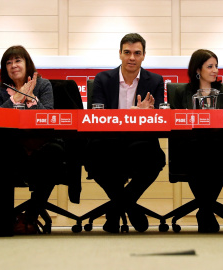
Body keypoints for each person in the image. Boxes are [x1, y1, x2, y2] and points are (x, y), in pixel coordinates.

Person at [85, 33, 166, 233]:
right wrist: (129, 114)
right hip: (108, 142)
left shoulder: (155, 80)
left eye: (137, 53)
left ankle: (115, 210)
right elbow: (97, 116)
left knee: (155, 158)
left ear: (144, 56)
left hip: (140, 142)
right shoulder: (103, 79)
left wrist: (148, 115)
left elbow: (158, 119)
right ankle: (130, 207)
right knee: (93, 156)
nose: (132, 57)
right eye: (127, 52)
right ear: (120, 54)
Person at [0, 45, 65, 234]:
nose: (13, 65)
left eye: (17, 60)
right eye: (8, 62)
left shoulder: (43, 85)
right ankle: (3, 222)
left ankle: (30, 216)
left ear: (27, 63)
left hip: (42, 146)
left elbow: (49, 116)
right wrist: (14, 100)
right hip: (12, 148)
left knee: (55, 152)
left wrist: (31, 100)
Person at [171, 49, 223, 232]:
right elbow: (176, 122)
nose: (215, 70)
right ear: (198, 69)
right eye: (210, 66)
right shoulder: (182, 92)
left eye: (216, 66)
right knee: (197, 152)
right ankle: (207, 211)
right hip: (189, 147)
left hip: (217, 146)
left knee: (218, 153)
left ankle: (204, 211)